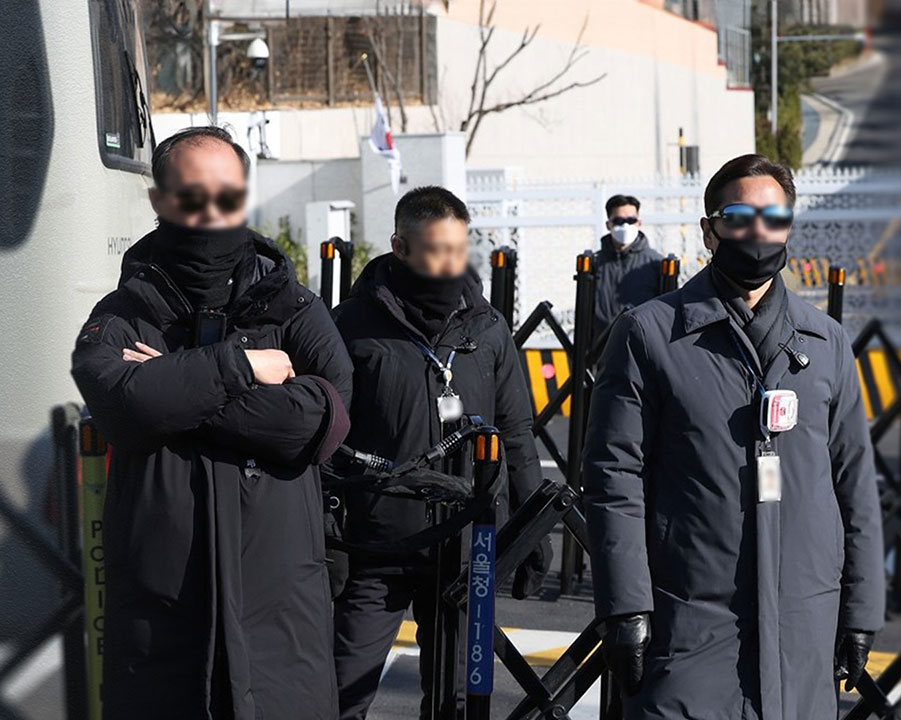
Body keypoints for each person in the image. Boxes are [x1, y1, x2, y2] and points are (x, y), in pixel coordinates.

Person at [583, 154, 885, 720]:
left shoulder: (826, 342)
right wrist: (626, 607)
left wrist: (861, 610)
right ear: (709, 229)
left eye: (775, 216)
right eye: (740, 215)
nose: (758, 231)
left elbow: (854, 483)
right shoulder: (649, 335)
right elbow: (612, 478)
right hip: (689, 623)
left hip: (803, 625)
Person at [70, 126, 352, 719]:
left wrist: (177, 384)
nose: (211, 211)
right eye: (192, 195)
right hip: (161, 620)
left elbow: (317, 422)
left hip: (281, 621)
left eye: (227, 194)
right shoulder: (120, 314)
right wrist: (238, 367)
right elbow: (124, 406)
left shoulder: (296, 308)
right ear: (159, 202)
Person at [330, 186, 551, 719]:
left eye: (458, 250)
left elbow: (516, 432)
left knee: (457, 701)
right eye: (436, 251)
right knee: (339, 694)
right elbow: (325, 438)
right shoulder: (350, 326)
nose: (450, 264)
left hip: (463, 546)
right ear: (399, 247)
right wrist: (326, 534)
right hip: (375, 548)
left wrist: (531, 529)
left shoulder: (488, 327)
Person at [592, 194, 663, 346]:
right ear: (608, 224)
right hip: (601, 349)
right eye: (619, 221)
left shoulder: (656, 263)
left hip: (644, 347)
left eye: (631, 220)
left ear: (639, 223)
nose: (625, 226)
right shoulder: (594, 263)